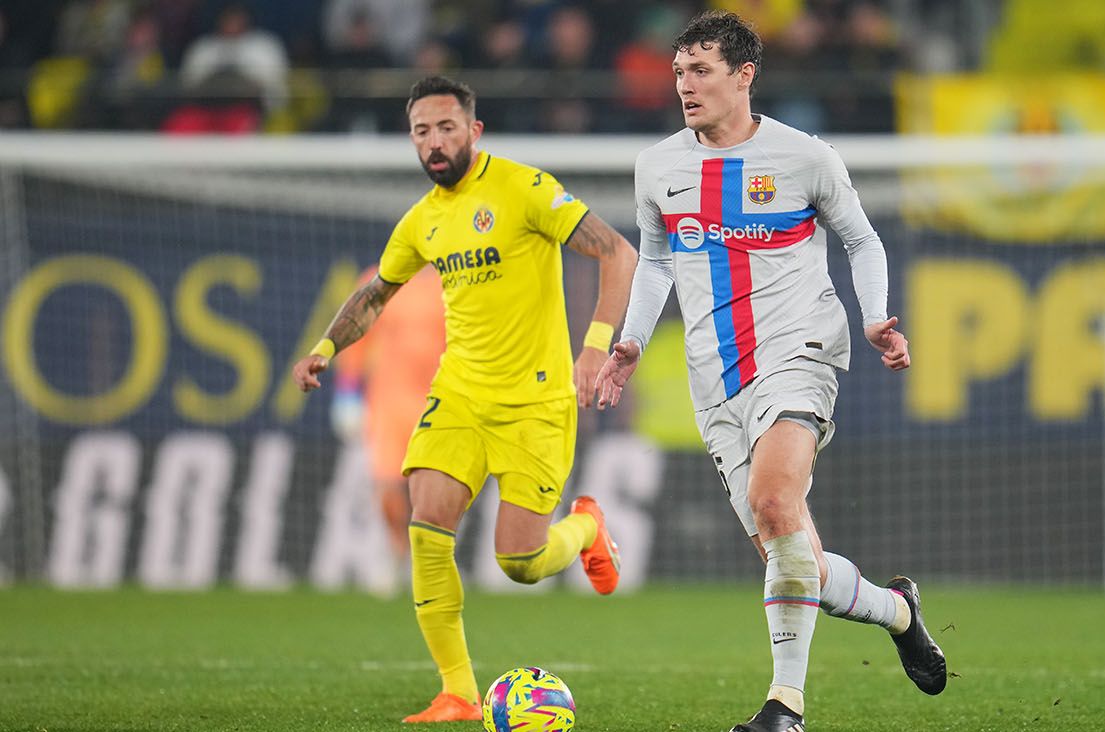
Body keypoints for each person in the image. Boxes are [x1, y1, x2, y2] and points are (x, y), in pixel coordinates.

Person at [593, 11, 946, 732]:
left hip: (800, 350)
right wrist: (630, 340)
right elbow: (657, 261)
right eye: (679, 72)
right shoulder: (658, 166)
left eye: (702, 72)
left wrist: (876, 316)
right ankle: (897, 610)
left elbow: (862, 239)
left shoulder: (804, 157)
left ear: (744, 75)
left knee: (777, 502)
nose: (685, 86)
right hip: (714, 378)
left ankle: (784, 708)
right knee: (796, 562)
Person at [293, 75, 638, 724]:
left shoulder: (524, 188)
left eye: (446, 127)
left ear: (473, 131)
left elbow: (618, 253)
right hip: (458, 396)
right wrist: (326, 349)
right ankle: (456, 691)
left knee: (520, 562)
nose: (434, 141)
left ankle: (588, 526)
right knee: (427, 529)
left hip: (536, 403)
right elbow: (374, 295)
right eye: (422, 131)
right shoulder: (422, 220)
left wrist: (596, 345)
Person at [330, 264, 444, 563]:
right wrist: (347, 394)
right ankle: (397, 552)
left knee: (435, 494)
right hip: (388, 403)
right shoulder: (376, 281)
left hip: (440, 402)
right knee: (387, 489)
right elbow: (355, 340)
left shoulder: (454, 281)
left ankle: (432, 561)